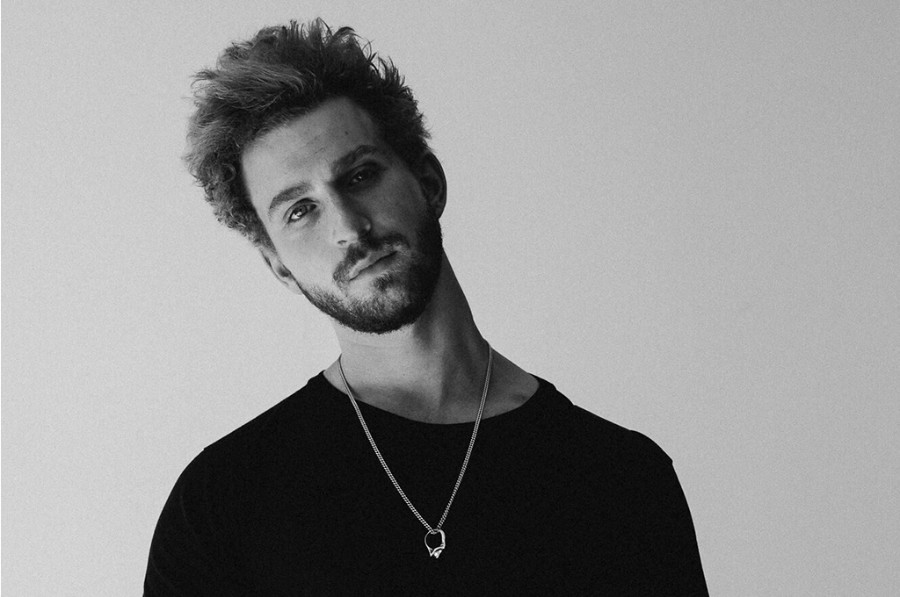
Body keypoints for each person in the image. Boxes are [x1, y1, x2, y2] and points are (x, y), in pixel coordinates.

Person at [144, 19, 708, 595]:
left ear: (429, 182)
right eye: (300, 210)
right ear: (279, 266)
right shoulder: (220, 505)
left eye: (360, 175)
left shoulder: (622, 479)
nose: (348, 226)